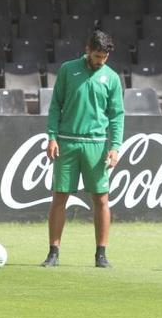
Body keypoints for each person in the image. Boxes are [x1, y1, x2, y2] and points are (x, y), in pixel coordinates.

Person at [41, 30, 124, 268]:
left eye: (104, 57)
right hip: (66, 142)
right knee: (60, 197)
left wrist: (116, 146)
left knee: (101, 199)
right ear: (88, 49)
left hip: (97, 146)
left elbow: (117, 115)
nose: (100, 61)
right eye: (97, 56)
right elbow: (56, 105)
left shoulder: (112, 78)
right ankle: (53, 252)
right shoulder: (68, 69)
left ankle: (101, 254)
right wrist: (52, 137)